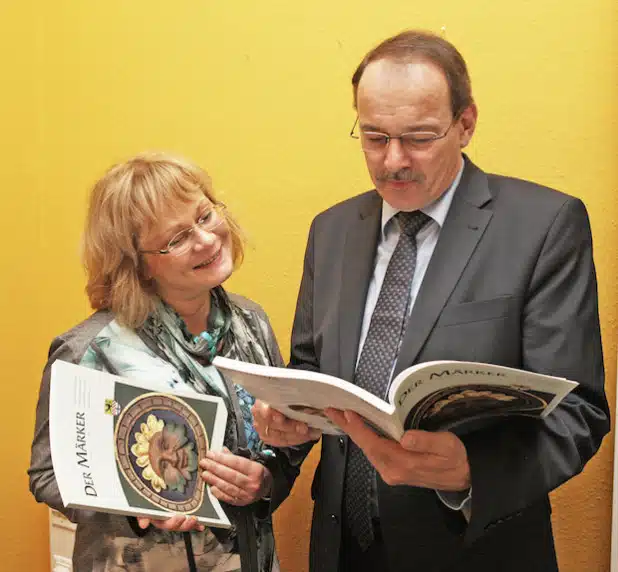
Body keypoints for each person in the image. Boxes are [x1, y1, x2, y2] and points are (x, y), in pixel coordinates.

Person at [252, 30, 610, 572]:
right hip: (342, 550)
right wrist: (286, 423)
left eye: (418, 137)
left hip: (474, 550)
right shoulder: (331, 230)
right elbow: (311, 367)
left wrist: (471, 471)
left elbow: (578, 412)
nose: (392, 161)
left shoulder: (543, 225)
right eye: (373, 136)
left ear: (465, 124)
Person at [29, 152, 302, 572]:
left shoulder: (252, 324)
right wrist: (135, 506)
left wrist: (264, 482)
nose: (208, 240)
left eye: (206, 216)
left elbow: (281, 452)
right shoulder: (90, 349)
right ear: (136, 265)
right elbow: (47, 475)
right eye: (176, 239)